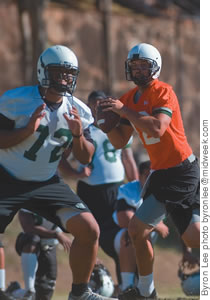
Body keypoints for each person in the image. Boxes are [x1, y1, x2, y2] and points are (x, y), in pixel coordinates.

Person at [0, 45, 118, 300]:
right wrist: (25, 131)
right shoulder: (16, 100)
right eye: (58, 73)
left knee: (90, 229)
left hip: (46, 181)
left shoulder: (79, 111)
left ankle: (80, 293)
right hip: (7, 177)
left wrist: (77, 134)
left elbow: (85, 157)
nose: (64, 79)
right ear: (43, 72)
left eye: (69, 74)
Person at [99, 43, 200, 299]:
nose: (139, 70)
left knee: (195, 238)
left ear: (155, 68)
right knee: (136, 230)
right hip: (160, 173)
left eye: (144, 66)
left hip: (182, 171)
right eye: (135, 66)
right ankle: (146, 291)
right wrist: (107, 125)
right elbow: (120, 141)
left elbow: (157, 128)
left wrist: (123, 111)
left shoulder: (163, 91)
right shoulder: (128, 98)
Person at [59, 90, 139, 295]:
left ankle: (127, 285)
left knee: (123, 238)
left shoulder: (119, 126)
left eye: (101, 105)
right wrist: (76, 174)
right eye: (93, 106)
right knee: (87, 236)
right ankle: (86, 285)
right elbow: (61, 158)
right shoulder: (84, 130)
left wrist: (137, 187)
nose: (97, 110)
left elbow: (128, 159)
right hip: (91, 191)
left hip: (117, 190)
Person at [113, 161, 169, 292]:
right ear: (141, 174)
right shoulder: (129, 189)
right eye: (146, 173)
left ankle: (144, 288)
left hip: (147, 238)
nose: (149, 176)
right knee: (129, 234)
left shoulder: (163, 189)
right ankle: (126, 287)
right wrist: (156, 224)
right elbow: (124, 219)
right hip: (118, 234)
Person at [13, 209, 72, 300]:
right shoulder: (30, 198)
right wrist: (56, 235)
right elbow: (28, 228)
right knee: (32, 239)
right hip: (31, 243)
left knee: (45, 292)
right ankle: (29, 290)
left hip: (50, 245)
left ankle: (14, 292)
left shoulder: (62, 199)